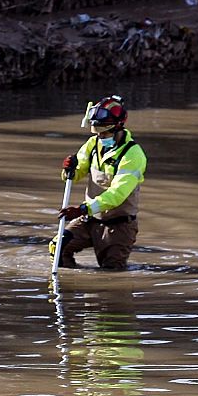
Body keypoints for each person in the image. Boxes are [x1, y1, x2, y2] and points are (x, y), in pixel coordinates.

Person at [56, 95, 146, 271]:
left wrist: (82, 209)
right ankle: (70, 289)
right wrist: (69, 169)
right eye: (97, 132)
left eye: (105, 132)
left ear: (119, 127)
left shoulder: (133, 155)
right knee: (58, 248)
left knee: (111, 272)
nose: (100, 136)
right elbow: (76, 173)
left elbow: (117, 194)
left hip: (119, 226)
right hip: (90, 220)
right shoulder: (93, 143)